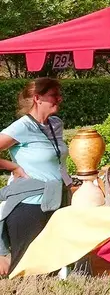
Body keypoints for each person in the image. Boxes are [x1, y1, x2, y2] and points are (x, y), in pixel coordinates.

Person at [0, 78, 70, 277]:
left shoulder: (55, 124)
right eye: (54, 95)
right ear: (37, 98)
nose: (59, 99)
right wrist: (12, 166)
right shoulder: (22, 127)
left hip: (57, 199)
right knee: (26, 267)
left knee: (52, 263)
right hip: (29, 205)